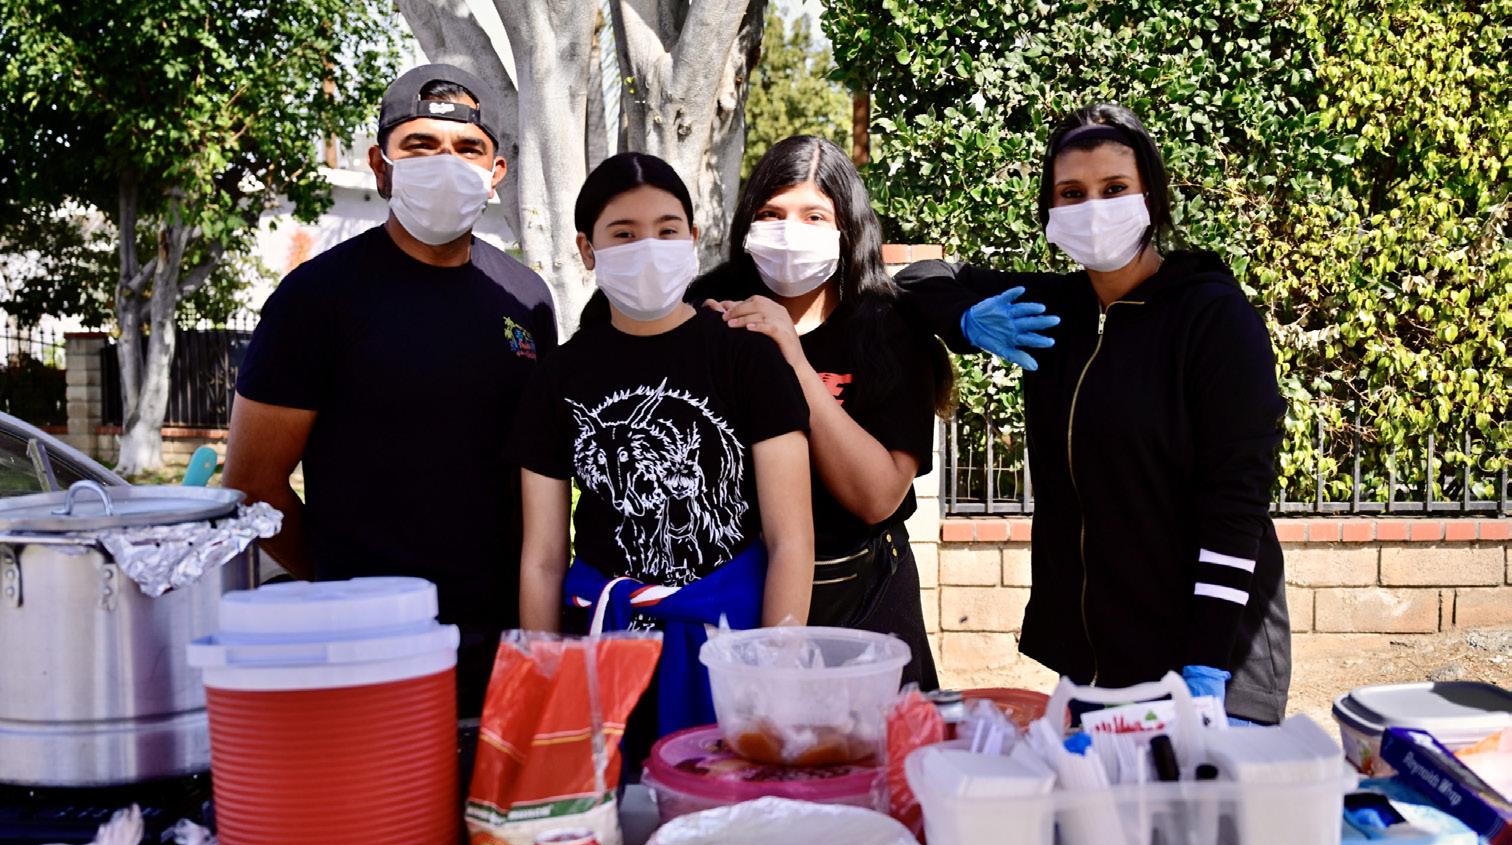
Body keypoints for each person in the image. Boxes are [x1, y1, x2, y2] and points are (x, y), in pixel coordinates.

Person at [896, 103, 1290, 723]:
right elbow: (918, 278)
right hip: (1095, 671)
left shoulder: (1213, 318)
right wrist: (964, 320)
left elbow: (1237, 503)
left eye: (1114, 188)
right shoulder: (1053, 312)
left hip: (1212, 669)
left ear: (1151, 197)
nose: (1094, 208)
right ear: (1050, 212)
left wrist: (1207, 665)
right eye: (1071, 194)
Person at [224, 64, 556, 718]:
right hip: (370, 650)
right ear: (381, 167)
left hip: (506, 646)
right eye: (420, 146)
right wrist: (345, 589)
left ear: (495, 173)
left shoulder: (527, 298)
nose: (446, 164)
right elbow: (252, 485)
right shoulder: (317, 299)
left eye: (467, 149)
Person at [509, 152, 813, 741]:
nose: (648, 247)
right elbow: (543, 557)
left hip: (729, 646)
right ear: (587, 249)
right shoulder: (558, 377)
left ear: (693, 239)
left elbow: (791, 538)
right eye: (624, 234)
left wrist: (774, 667)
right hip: (603, 649)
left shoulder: (746, 356)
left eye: (667, 230)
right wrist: (545, 670)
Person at [689, 136, 954, 691]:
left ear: (846, 228)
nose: (790, 231)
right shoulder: (707, 308)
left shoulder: (888, 326)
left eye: (814, 216)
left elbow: (876, 496)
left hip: (862, 596)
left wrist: (791, 355)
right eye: (772, 214)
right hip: (733, 593)